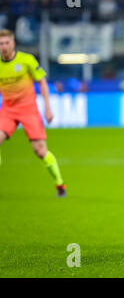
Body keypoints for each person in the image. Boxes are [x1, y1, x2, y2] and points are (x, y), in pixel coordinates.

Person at [0, 29, 66, 197]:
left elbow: (42, 82)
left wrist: (48, 108)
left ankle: (59, 183)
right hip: (7, 109)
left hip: (28, 109)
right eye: (1, 43)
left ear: (13, 43)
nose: (4, 46)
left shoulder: (26, 60)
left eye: (7, 42)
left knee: (40, 152)